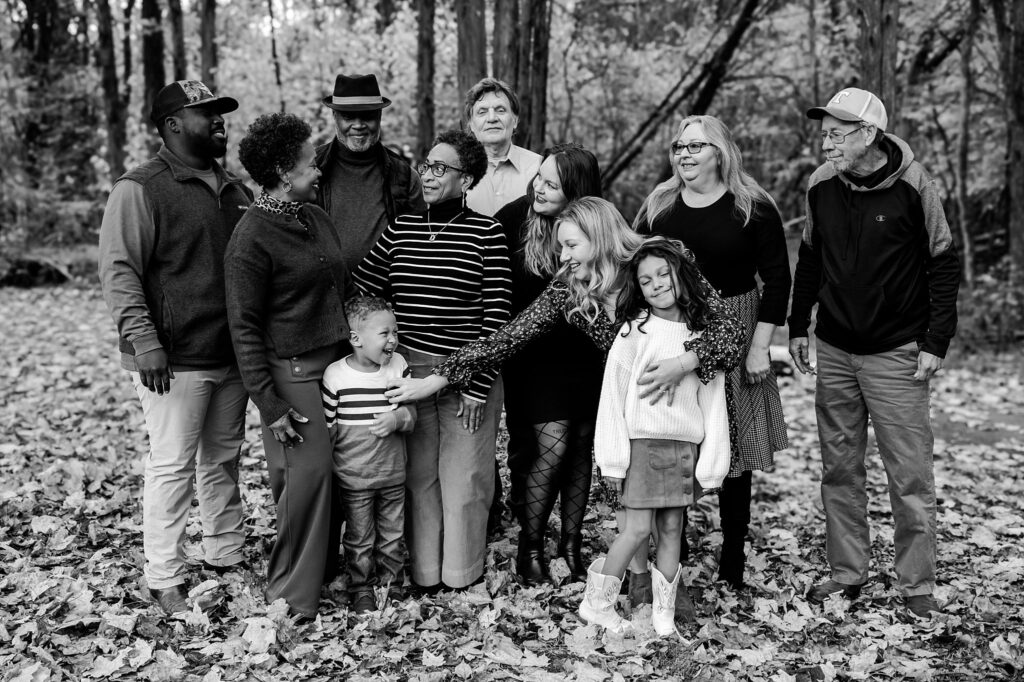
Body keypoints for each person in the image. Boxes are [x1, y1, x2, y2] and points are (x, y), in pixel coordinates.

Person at [383, 198, 745, 494]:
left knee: (675, 514)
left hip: (688, 405)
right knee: (638, 513)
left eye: (572, 245)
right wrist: (437, 378)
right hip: (637, 412)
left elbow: (731, 329)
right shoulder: (569, 291)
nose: (565, 257)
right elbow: (507, 338)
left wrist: (681, 363)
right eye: (561, 248)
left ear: (599, 238)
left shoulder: (659, 262)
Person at [790, 87, 960, 619]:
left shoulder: (914, 184)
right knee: (839, 471)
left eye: (838, 134)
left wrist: (935, 341)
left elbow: (943, 263)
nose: (827, 143)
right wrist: (799, 325)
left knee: (909, 476)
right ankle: (847, 574)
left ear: (869, 135)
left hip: (897, 352)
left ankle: (917, 586)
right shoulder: (820, 185)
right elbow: (811, 257)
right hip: (836, 348)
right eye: (824, 133)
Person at [98, 80, 252, 615]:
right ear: (170, 126)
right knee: (172, 465)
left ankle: (225, 550)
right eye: (204, 113)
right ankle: (164, 574)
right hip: (172, 358)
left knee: (222, 459)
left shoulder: (236, 190)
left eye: (219, 112)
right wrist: (144, 342)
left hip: (229, 355)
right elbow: (119, 270)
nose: (217, 120)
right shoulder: (138, 188)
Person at [634, 114, 791, 592]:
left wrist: (760, 345)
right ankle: (672, 552)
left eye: (696, 146)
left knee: (734, 447)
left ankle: (732, 557)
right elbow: (640, 269)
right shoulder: (660, 206)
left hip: (740, 329)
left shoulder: (752, 206)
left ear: (720, 153)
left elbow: (778, 280)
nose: (685, 154)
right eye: (679, 147)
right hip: (676, 328)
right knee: (678, 435)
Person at [356, 129, 512, 592]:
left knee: (465, 478)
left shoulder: (487, 232)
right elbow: (365, 285)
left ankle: (460, 575)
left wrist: (478, 383)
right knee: (420, 478)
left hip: (469, 373)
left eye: (441, 168)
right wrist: (378, 348)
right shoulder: (402, 227)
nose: (427, 174)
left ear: (466, 181)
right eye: (426, 165)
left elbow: (498, 318)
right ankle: (425, 575)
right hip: (408, 373)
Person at [225, 112, 356, 620]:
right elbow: (244, 327)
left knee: (333, 473)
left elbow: (340, 288)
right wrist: (269, 401)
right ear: (283, 170)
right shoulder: (250, 238)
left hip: (338, 366)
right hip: (292, 375)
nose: (319, 169)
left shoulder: (314, 216)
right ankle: (291, 596)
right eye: (309, 161)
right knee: (307, 475)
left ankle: (323, 569)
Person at [579, 237, 731, 635]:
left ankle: (663, 618)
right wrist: (612, 460)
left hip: (683, 448)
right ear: (639, 288)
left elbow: (713, 404)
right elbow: (611, 397)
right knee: (637, 530)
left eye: (664, 274)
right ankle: (598, 604)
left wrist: (712, 465)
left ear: (682, 276)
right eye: (647, 280)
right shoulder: (633, 333)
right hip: (642, 447)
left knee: (671, 532)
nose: (658, 284)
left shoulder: (703, 339)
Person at [492, 143, 605, 583]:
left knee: (580, 447)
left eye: (552, 183)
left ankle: (572, 546)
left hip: (584, 352)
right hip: (531, 355)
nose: (538, 186)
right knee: (550, 447)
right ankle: (531, 546)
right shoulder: (512, 220)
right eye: (539, 175)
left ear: (575, 191)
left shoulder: (595, 222)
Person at [321, 296, 416, 614]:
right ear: (356, 339)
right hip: (354, 475)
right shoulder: (336, 376)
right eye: (384, 333)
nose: (392, 340)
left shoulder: (399, 366)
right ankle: (361, 587)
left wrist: (396, 419)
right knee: (359, 538)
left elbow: (411, 416)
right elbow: (329, 430)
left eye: (395, 332)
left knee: (392, 535)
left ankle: (392, 583)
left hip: (391, 473)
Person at [315, 73, 426, 272]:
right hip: (324, 295)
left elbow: (421, 247)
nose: (358, 125)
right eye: (348, 117)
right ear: (334, 117)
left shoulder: (405, 176)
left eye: (367, 116)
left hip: (388, 297)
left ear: (379, 117)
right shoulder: (312, 169)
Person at [464, 77, 542, 217]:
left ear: (515, 120)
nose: (492, 118)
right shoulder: (455, 171)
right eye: (482, 112)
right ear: (471, 124)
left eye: (500, 110)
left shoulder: (540, 168)